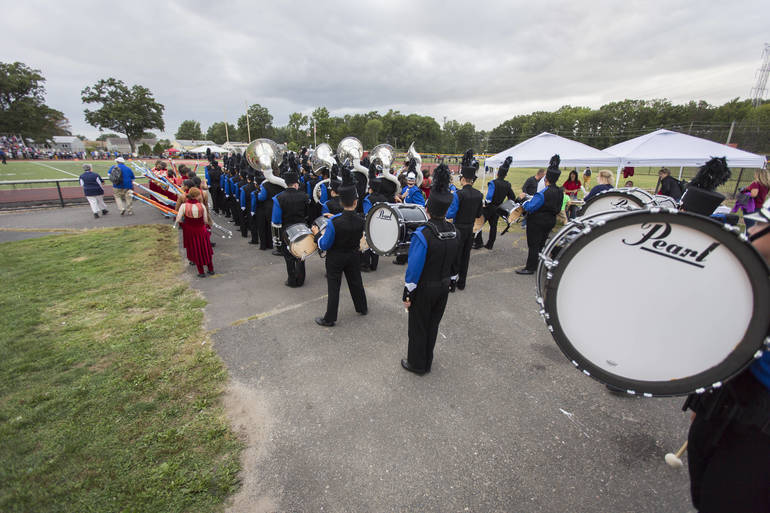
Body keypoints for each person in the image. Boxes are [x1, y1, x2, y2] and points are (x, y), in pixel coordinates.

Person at [683, 194, 770, 513]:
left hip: (757, 430)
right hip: (728, 400)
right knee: (705, 495)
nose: (754, 228)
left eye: (762, 223)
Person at [401, 164, 459, 375]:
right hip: (443, 287)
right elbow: (455, 263)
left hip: (424, 289)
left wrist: (408, 292)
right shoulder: (454, 232)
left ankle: (417, 364)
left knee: (418, 327)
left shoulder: (422, 234)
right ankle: (428, 360)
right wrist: (452, 280)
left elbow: (414, 270)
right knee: (433, 325)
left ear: (427, 208)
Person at [313, 167, 368, 327]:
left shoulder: (334, 222)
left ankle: (330, 318)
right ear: (356, 202)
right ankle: (362, 307)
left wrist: (317, 234)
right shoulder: (360, 219)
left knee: (334, 287)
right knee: (356, 282)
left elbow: (324, 244)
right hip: (353, 255)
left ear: (341, 202)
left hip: (336, 258)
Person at [516, 155, 564, 275]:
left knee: (533, 244)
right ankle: (538, 262)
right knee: (542, 243)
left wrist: (523, 201)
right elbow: (558, 208)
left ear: (546, 178)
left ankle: (530, 267)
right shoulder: (560, 191)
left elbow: (530, 207)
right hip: (550, 220)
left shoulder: (543, 193)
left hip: (537, 221)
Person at [445, 161, 482, 290]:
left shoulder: (458, 194)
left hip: (458, 228)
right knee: (466, 255)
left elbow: (450, 214)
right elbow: (478, 214)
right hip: (470, 228)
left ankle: (452, 283)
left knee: (456, 256)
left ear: (463, 179)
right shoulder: (479, 194)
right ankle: (462, 283)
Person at [272, 169, 309, 287]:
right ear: (296, 184)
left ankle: (292, 280)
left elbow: (276, 220)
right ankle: (301, 279)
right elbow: (308, 213)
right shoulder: (304, 196)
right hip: (302, 228)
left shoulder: (278, 198)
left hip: (287, 230)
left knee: (288, 256)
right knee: (301, 254)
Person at [474, 156, 515, 250]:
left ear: (497, 173)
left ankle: (478, 242)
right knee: (493, 227)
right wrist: (504, 206)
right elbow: (512, 197)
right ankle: (490, 244)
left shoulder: (493, 183)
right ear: (505, 175)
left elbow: (489, 198)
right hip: (498, 208)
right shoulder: (508, 185)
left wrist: (484, 203)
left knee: (478, 223)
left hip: (489, 208)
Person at [175, 187, 214, 277]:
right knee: (205, 249)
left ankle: (201, 272)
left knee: (196, 250)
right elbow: (205, 220)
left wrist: (185, 222)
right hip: (201, 230)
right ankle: (211, 269)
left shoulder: (184, 206)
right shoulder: (202, 206)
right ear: (196, 196)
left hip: (190, 231)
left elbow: (178, 219)